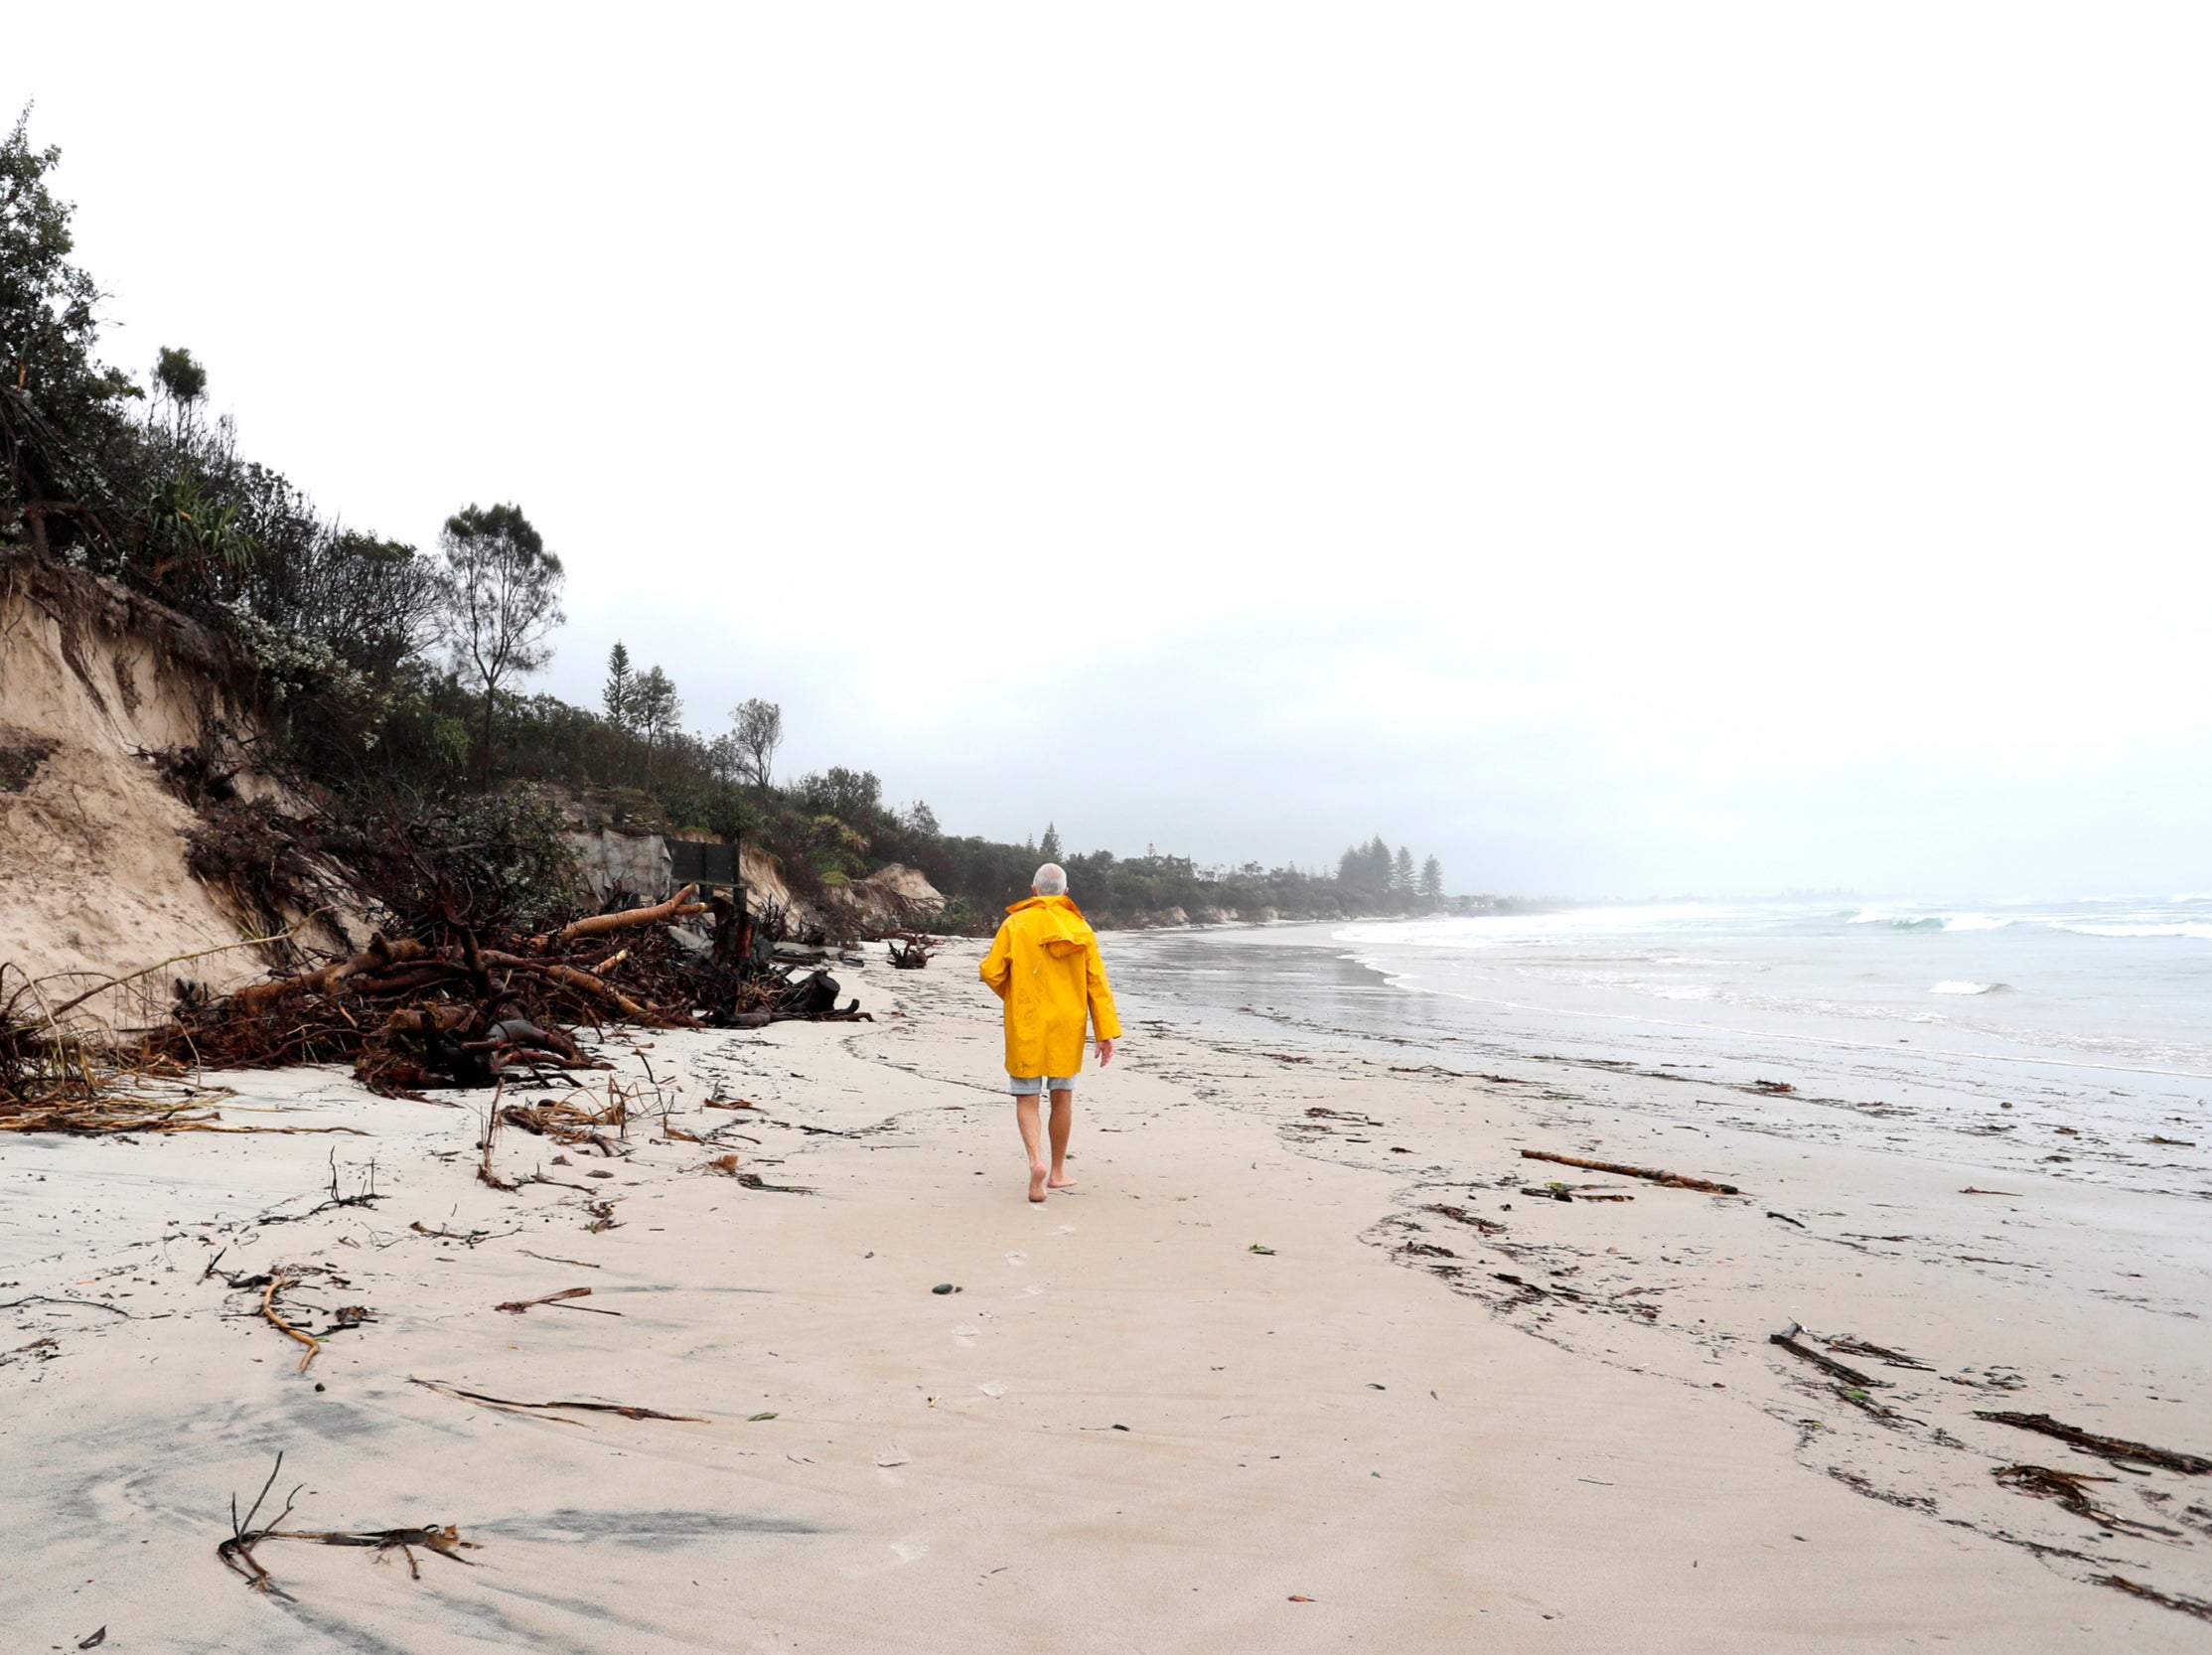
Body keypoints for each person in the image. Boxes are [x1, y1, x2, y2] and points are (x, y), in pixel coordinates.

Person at [978, 863, 1121, 1202]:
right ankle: (1057, 1172)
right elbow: (1096, 982)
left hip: (1027, 1017)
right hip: (1067, 1022)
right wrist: (1105, 1032)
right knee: (1062, 1096)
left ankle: (1035, 1161)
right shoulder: (1080, 927)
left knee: (1027, 1096)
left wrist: (1015, 995)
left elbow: (991, 971)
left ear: (1034, 890)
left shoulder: (1016, 923)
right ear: (1065, 893)